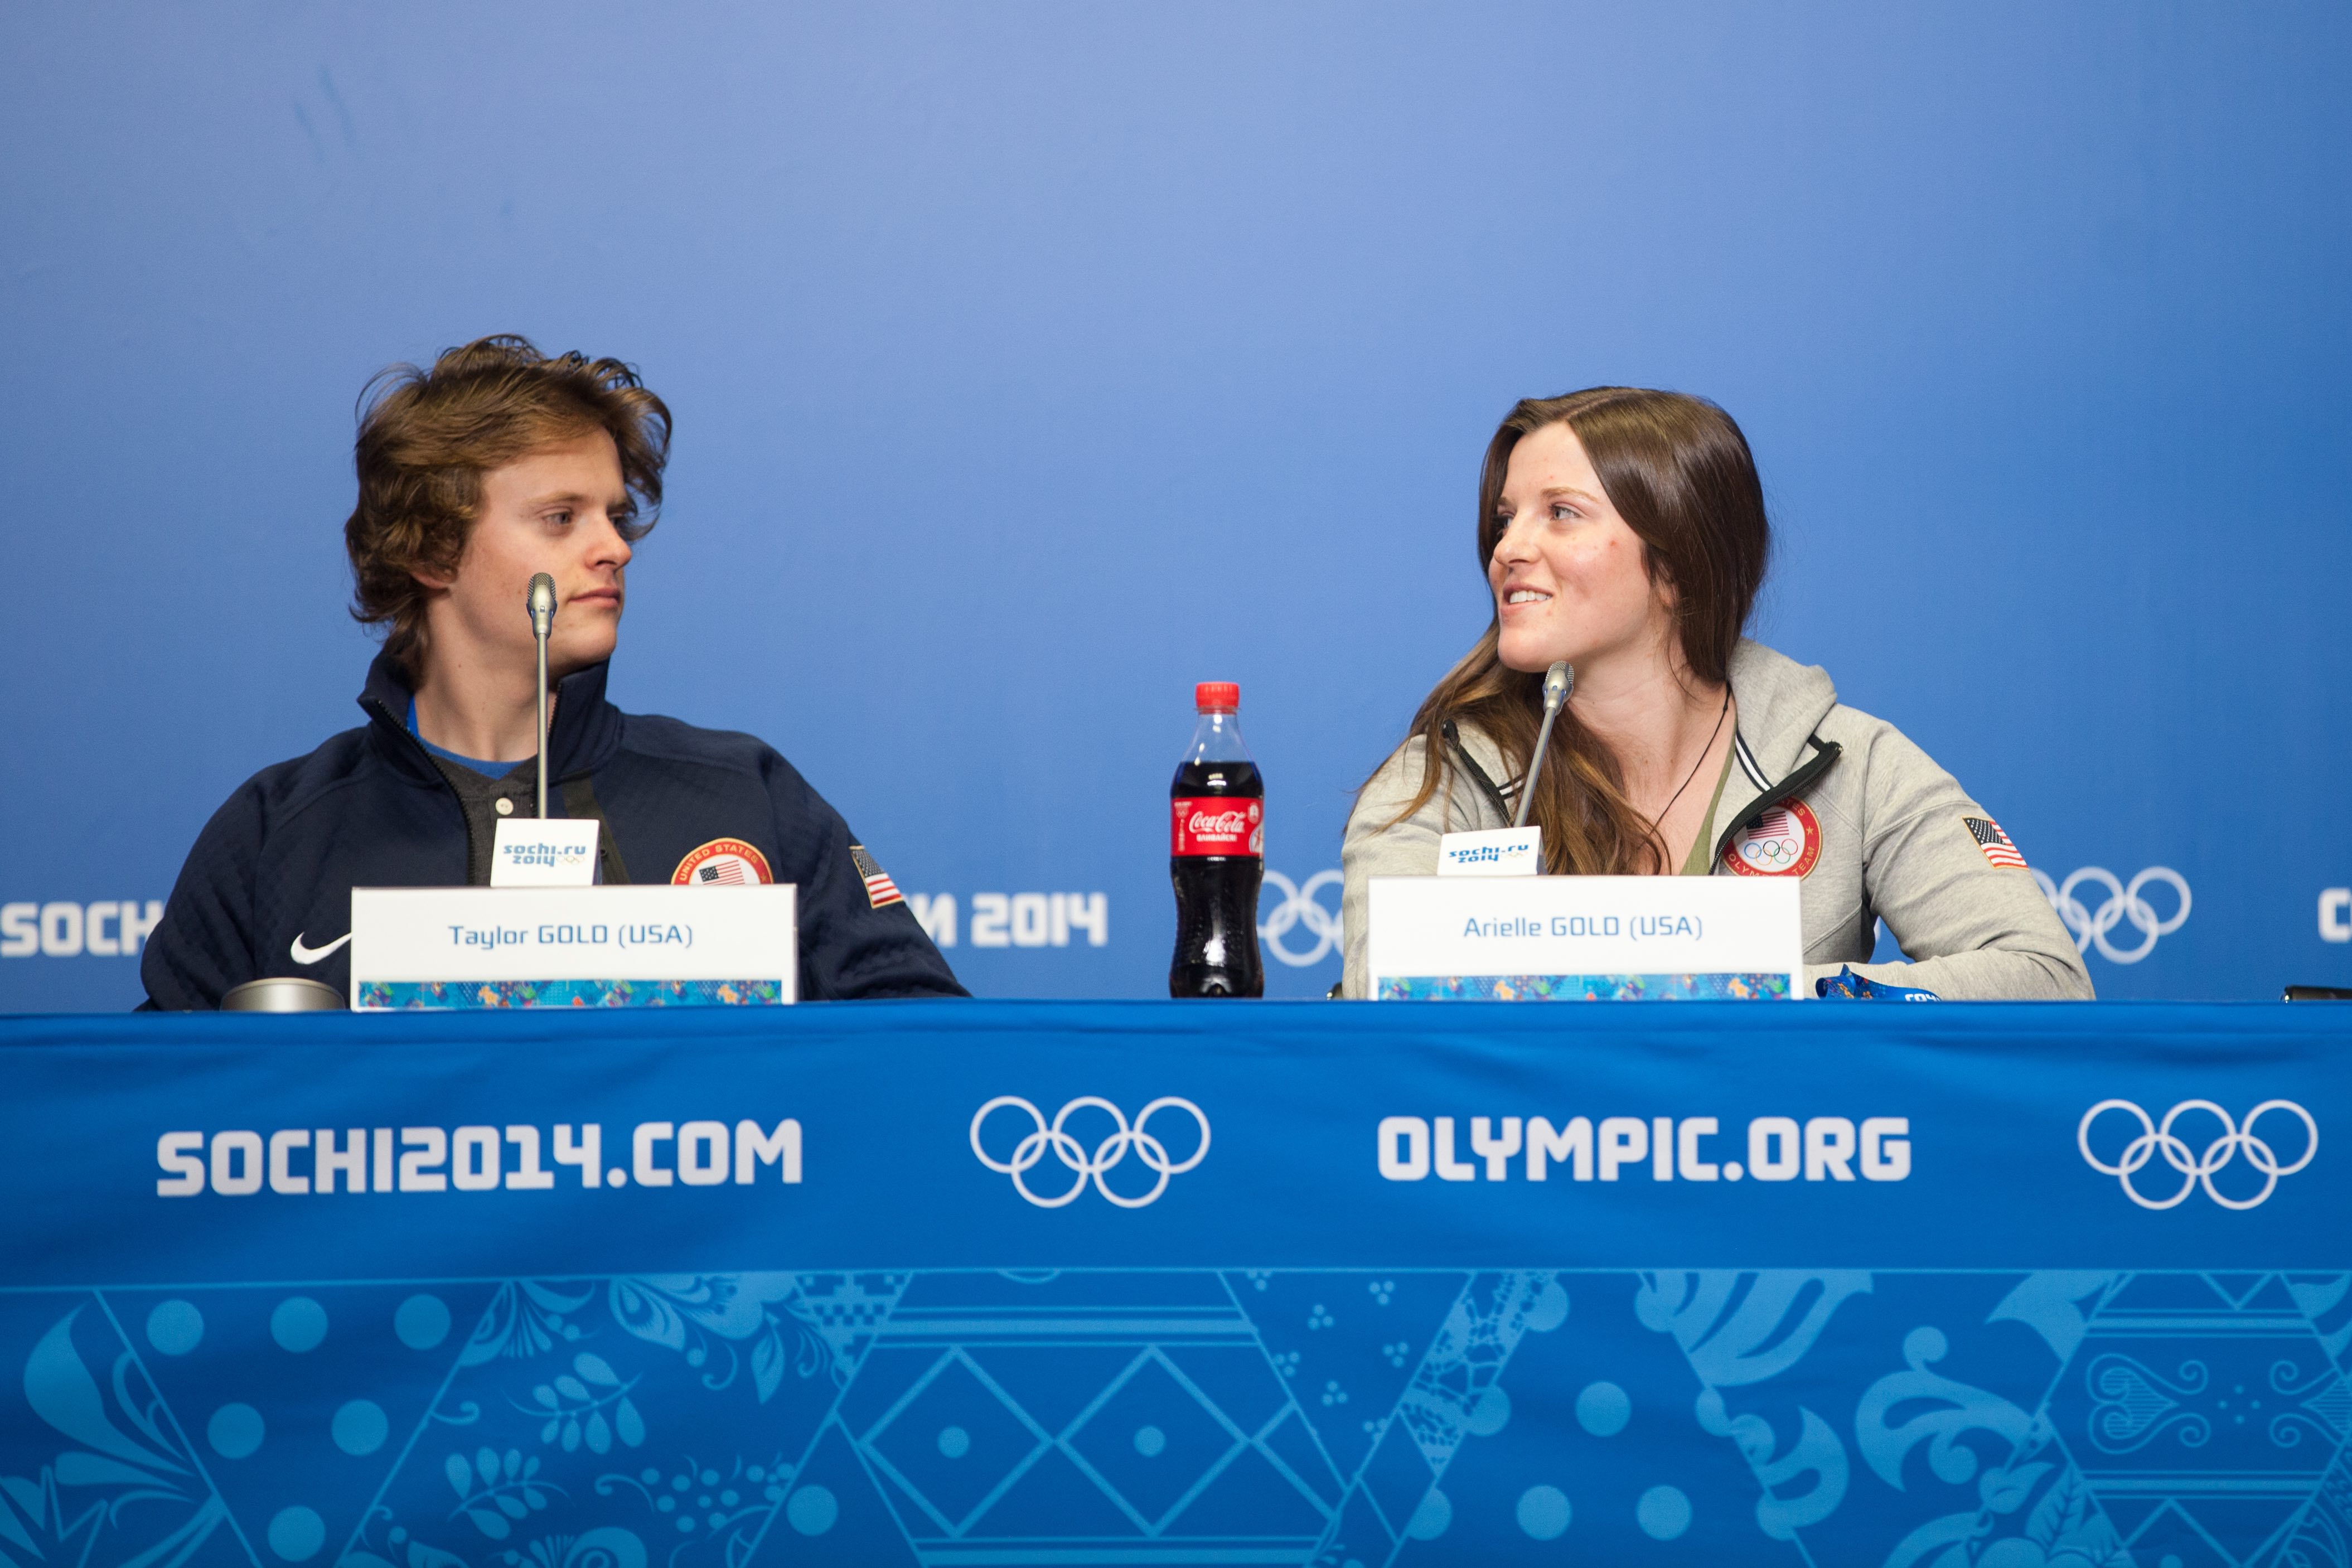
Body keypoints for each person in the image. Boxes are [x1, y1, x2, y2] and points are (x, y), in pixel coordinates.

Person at [142, 336, 964, 1008]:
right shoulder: (277, 831)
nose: (614, 547)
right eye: (561, 519)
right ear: (431, 549)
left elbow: (925, 1048)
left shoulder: (743, 792)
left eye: (614, 514)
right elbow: (157, 1122)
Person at [1340, 386, 2091, 1001]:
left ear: (1675, 566)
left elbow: (2043, 978)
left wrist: (1765, 996)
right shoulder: (1434, 780)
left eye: (1560, 513)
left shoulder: (1851, 762)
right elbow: (1383, 1002)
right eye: (1506, 520)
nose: (1507, 549)